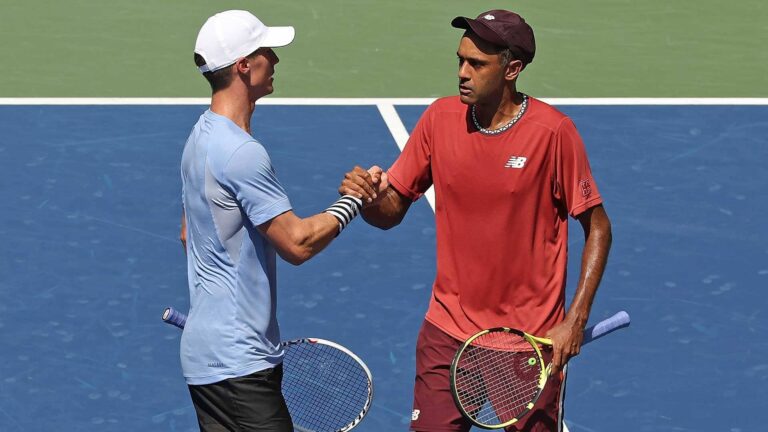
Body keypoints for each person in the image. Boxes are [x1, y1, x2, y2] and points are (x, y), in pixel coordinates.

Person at [340, 9, 612, 432]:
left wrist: (574, 320)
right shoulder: (439, 118)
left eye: (477, 64)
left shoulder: (553, 133)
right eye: (460, 60)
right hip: (447, 331)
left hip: (528, 343)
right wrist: (369, 198)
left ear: (512, 69)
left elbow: (598, 226)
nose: (462, 73)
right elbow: (391, 212)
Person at [179, 10, 365, 432]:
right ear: (244, 65)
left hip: (209, 357)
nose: (275, 60)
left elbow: (189, 233)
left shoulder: (198, 139)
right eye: (267, 52)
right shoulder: (241, 153)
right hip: (239, 363)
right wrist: (353, 200)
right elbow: (297, 243)